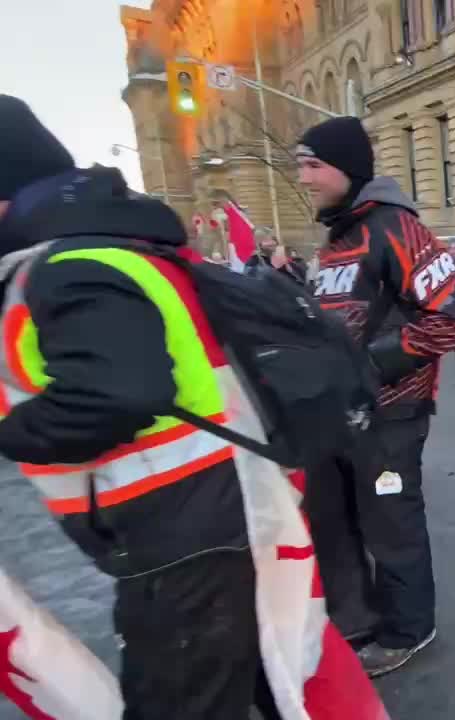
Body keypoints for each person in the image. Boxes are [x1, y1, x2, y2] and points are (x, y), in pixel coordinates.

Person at [0, 96, 283, 717]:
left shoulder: (70, 263)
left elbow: (119, 392)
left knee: (184, 702)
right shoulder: (93, 250)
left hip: (179, 530)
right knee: (248, 681)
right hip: (196, 517)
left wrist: (10, 431)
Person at [297, 115, 455, 676]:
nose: (304, 178)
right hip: (333, 416)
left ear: (346, 168)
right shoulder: (336, 238)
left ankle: (408, 629)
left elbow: (453, 317)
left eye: (312, 165)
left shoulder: (396, 227)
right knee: (333, 520)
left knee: (390, 526)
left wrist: (366, 365)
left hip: (390, 413)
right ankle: (355, 622)